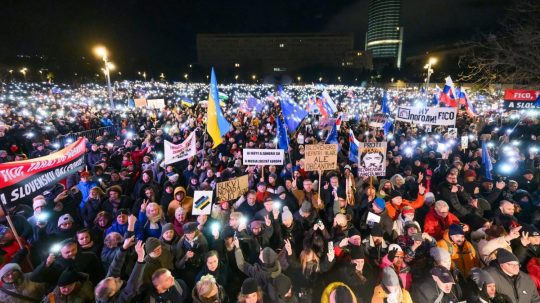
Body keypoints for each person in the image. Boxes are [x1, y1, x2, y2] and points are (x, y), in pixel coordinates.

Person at [94, 238, 146, 303]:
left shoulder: (109, 284)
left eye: (114, 279)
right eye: (116, 282)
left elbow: (114, 267)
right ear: (112, 293)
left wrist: (123, 248)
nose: (118, 278)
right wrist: (140, 258)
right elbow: (132, 286)